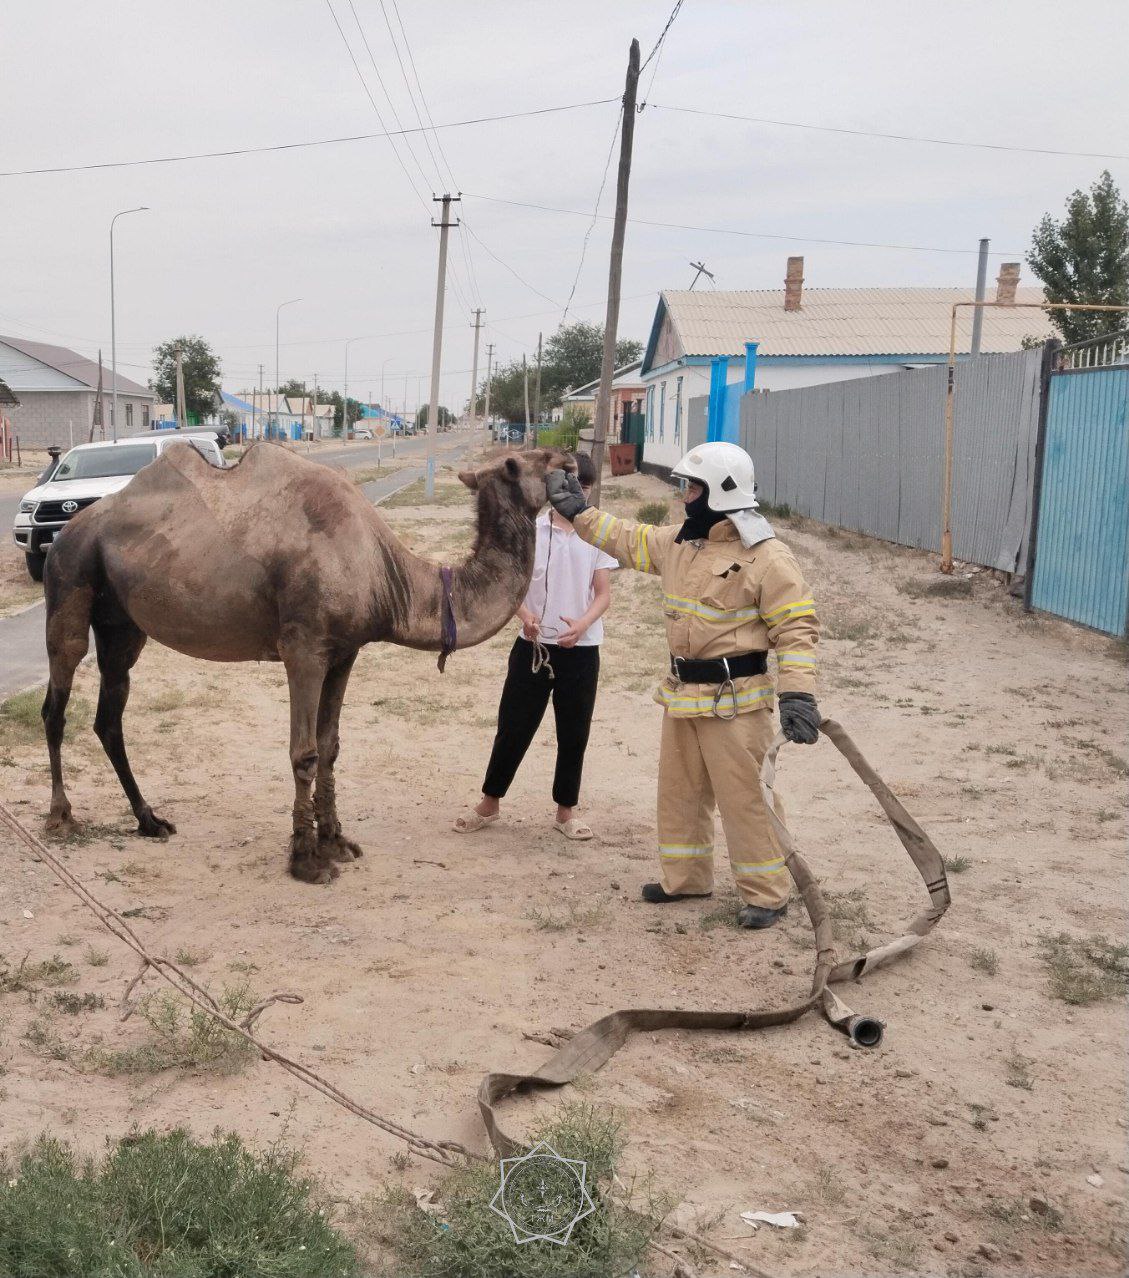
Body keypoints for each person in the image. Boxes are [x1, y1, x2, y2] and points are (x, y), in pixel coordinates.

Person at [545, 442, 821, 929]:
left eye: (692, 488)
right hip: (683, 696)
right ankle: (687, 879)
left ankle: (768, 892)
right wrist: (579, 512)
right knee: (681, 794)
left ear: (719, 493)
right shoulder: (682, 543)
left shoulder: (768, 558)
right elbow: (626, 538)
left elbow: (797, 629)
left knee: (746, 799)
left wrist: (798, 693)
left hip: (736, 704)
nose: (684, 497)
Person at [455, 452, 617, 840]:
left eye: (585, 488)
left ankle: (566, 812)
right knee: (512, 727)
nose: (576, 494)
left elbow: (603, 594)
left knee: (573, 732)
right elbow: (514, 587)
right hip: (532, 649)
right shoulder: (531, 531)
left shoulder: (599, 535)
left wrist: (582, 624)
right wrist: (524, 616)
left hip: (582, 650)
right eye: (569, 485)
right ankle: (489, 803)